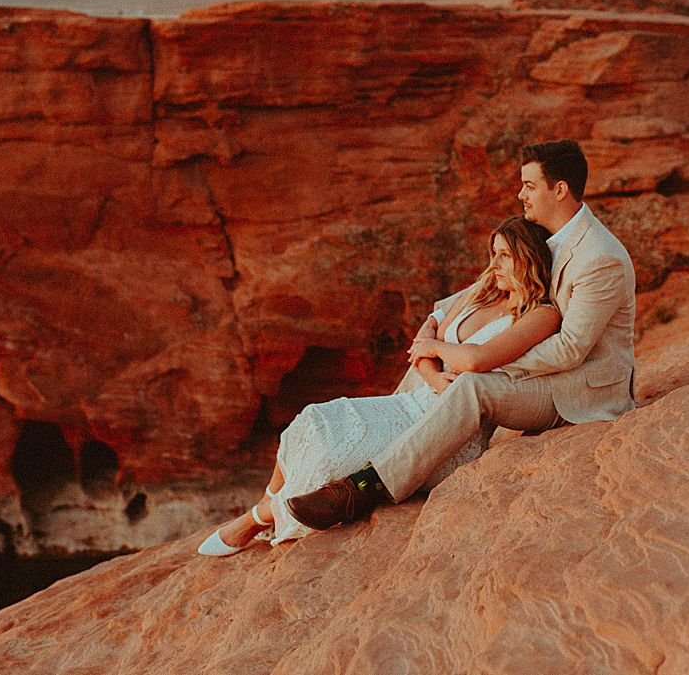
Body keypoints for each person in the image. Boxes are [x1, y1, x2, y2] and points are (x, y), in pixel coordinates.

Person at [284, 138, 636, 532]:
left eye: (530, 186)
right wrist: (436, 347)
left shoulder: (599, 256)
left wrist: (485, 358)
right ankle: (389, 435)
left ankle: (362, 488)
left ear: (560, 189)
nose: (520, 194)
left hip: (576, 390)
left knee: (473, 385)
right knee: (451, 358)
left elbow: (571, 349)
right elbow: (463, 298)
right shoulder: (539, 237)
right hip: (533, 368)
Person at [198, 215, 560, 555]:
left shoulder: (541, 315)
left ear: (527, 259)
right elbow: (428, 331)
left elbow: (477, 359)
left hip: (450, 431)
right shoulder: (484, 291)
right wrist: (432, 373)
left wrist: (432, 349)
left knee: (332, 455)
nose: (493, 264)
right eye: (492, 253)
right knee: (315, 419)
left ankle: (256, 520)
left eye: (504, 256)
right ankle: (267, 502)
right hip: (418, 398)